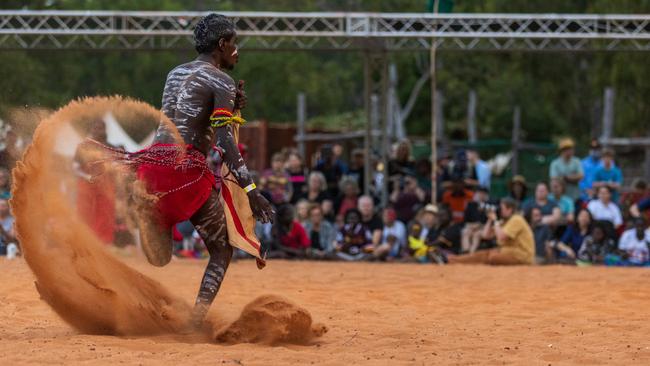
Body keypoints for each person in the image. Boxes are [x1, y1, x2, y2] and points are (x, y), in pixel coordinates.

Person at [125, 14, 274, 328]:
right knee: (221, 251)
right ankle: (195, 322)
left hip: (153, 167)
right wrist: (252, 192)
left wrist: (232, 107)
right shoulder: (222, 80)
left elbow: (188, 115)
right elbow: (223, 143)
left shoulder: (175, 73)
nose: (237, 51)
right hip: (185, 171)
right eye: (234, 44)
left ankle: (148, 213)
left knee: (160, 258)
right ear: (222, 44)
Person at [447, 198, 534, 265]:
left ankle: (454, 260)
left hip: (522, 256)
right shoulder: (505, 221)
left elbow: (501, 237)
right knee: (484, 254)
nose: (500, 211)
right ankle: (452, 260)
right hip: (508, 252)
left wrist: (495, 220)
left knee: (492, 257)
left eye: (502, 208)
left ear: (510, 209)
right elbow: (485, 235)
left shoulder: (517, 219)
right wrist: (490, 220)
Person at [73, 119, 116, 244]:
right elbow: (74, 167)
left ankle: (102, 244)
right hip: (86, 185)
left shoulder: (111, 147)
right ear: (91, 129)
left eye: (101, 128)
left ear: (105, 130)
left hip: (106, 186)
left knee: (104, 215)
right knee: (84, 213)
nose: (98, 131)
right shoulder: (83, 147)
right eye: (95, 128)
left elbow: (115, 167)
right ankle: (83, 242)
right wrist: (87, 177)